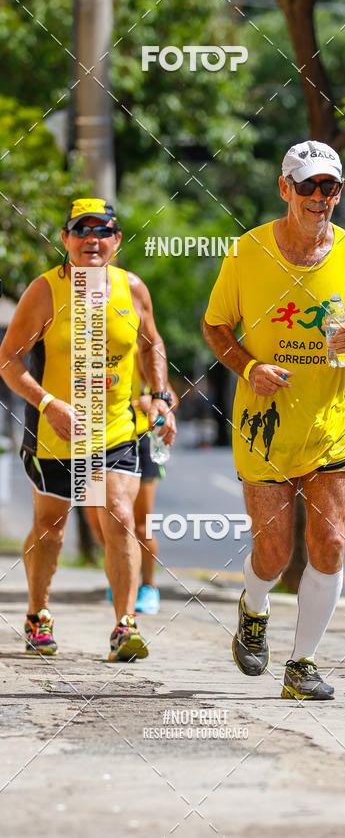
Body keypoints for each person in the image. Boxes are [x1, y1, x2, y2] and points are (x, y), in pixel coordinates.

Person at [203, 140, 345, 700]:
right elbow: (216, 328)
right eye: (307, 186)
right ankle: (253, 607)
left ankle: (301, 664)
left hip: (333, 422)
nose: (318, 197)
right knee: (274, 552)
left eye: (328, 187)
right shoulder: (246, 252)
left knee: (330, 545)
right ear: (285, 188)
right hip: (265, 426)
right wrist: (248, 366)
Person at [0, 198, 176, 661]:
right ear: (65, 240)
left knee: (118, 514)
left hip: (115, 430)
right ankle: (38, 614)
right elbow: (8, 360)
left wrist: (161, 396)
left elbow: (151, 343)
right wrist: (47, 402)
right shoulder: (45, 291)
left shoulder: (132, 288)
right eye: (81, 231)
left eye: (102, 232)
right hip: (55, 433)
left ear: (116, 241)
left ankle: (125, 625)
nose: (91, 241)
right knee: (51, 528)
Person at [87, 348, 179, 614]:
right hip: (95, 443)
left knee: (140, 524)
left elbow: (170, 398)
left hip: (139, 442)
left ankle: (148, 586)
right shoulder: (87, 346)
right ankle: (122, 574)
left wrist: (147, 402)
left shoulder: (138, 352)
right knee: (98, 523)